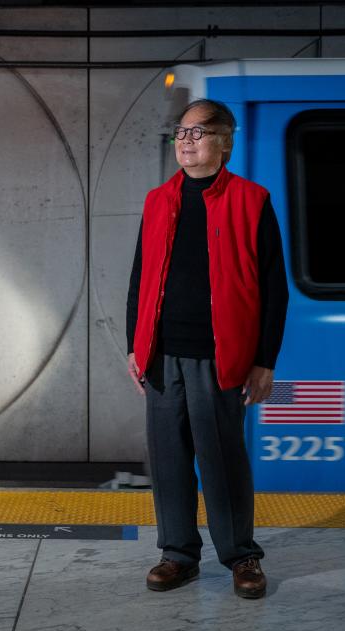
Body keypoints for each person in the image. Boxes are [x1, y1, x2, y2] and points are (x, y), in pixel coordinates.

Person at [125, 99, 289, 599]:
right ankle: (177, 555)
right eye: (180, 132)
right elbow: (139, 277)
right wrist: (136, 346)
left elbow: (274, 287)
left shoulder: (252, 200)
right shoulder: (158, 201)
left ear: (225, 141)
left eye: (197, 132)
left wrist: (265, 359)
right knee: (169, 459)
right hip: (162, 355)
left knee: (222, 459)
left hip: (222, 357)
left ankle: (241, 557)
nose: (185, 141)